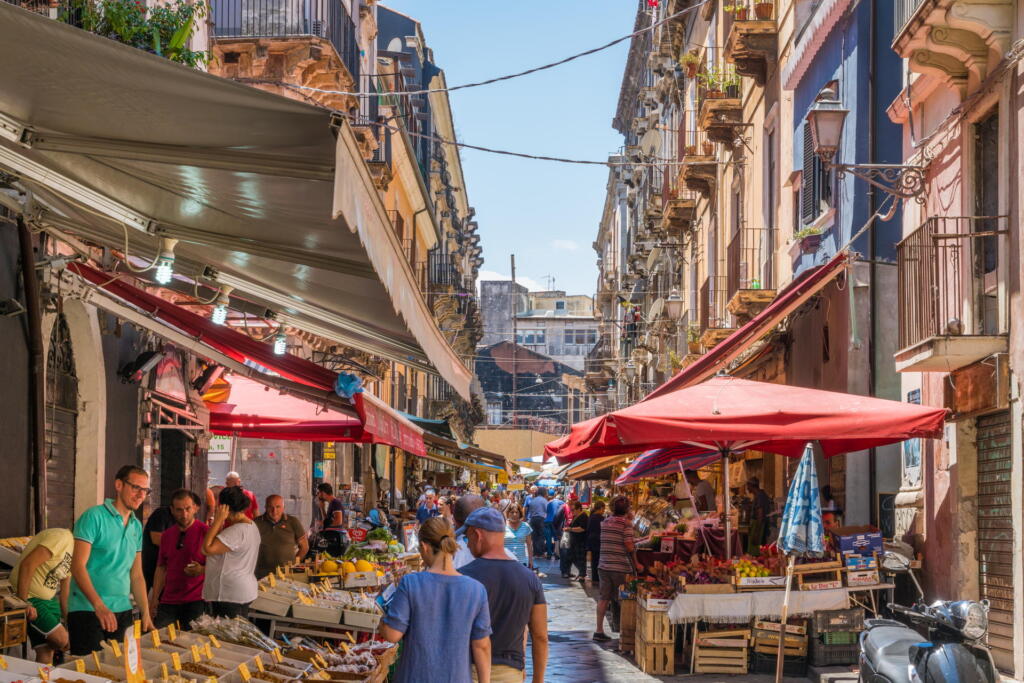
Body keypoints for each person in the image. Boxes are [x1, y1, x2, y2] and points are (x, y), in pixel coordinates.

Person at [380, 518, 492, 683]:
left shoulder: (411, 583)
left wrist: (381, 617)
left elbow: (392, 635)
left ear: (424, 546)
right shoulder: (476, 590)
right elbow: (482, 646)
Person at [68, 465, 154, 655]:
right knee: (91, 673)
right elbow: (77, 566)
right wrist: (99, 606)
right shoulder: (93, 517)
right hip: (88, 609)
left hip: (123, 610)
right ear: (118, 485)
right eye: (135, 487)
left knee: (120, 672)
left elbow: (137, 575)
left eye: (145, 490)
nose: (141, 495)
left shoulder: (136, 526)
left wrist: (145, 612)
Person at [460, 508, 548, 683]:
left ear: (477, 534)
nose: (468, 545)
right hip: (510, 673)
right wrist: (537, 680)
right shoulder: (530, 579)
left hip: (467, 670)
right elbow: (540, 636)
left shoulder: (462, 577)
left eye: (467, 538)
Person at [11, 528, 73, 663]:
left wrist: (70, 624)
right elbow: (27, 564)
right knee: (61, 639)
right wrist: (23, 602)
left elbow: (65, 593)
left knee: (46, 651)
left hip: (50, 601)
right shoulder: (62, 537)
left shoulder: (77, 554)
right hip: (31, 598)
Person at [149, 490, 207, 629]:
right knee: (160, 642)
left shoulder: (206, 532)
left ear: (195, 508)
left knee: (193, 644)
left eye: (187, 509)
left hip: (196, 601)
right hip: (168, 600)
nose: (184, 514)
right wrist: (154, 598)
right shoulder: (167, 535)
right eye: (179, 510)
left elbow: (220, 566)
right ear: (172, 510)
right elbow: (161, 568)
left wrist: (202, 570)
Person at [202, 486, 260, 618]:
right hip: (239, 591)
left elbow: (206, 549)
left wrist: (217, 520)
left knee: (227, 636)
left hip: (230, 594)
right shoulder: (250, 526)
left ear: (224, 507)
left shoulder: (236, 531)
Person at [593, 496, 641, 642]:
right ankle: (625, 634)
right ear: (627, 509)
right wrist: (636, 563)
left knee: (604, 598)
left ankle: (599, 630)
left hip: (604, 565)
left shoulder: (605, 522)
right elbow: (628, 546)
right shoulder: (626, 524)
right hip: (620, 566)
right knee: (624, 599)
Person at [254, 495, 309, 579]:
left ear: (283, 508)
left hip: (287, 575)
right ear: (265, 507)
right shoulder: (256, 523)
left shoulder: (293, 522)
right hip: (262, 575)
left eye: (278, 507)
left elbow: (304, 547)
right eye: (270, 507)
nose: (274, 511)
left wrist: (294, 564)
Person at [141, 504, 174, 591]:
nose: (184, 513)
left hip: (165, 566)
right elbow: (156, 539)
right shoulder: (162, 513)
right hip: (150, 563)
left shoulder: (183, 520)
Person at [503, 504, 534, 570]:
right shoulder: (502, 526)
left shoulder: (525, 526)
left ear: (520, 514)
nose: (514, 514)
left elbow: (529, 545)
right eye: (512, 512)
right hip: (506, 563)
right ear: (508, 513)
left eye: (516, 512)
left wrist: (530, 561)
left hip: (521, 563)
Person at [566, 501, 589, 582]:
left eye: (574, 509)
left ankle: (582, 575)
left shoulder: (583, 516)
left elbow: (582, 528)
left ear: (579, 508)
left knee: (580, 558)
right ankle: (581, 572)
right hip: (575, 541)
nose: (572, 511)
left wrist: (570, 529)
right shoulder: (576, 515)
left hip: (580, 541)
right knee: (573, 557)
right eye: (571, 510)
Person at [747, 477, 773, 547]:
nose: (747, 488)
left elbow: (760, 516)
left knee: (757, 551)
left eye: (748, 486)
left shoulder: (760, 496)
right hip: (758, 526)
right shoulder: (759, 495)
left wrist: (757, 533)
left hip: (759, 527)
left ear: (751, 486)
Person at [586, 501, 606, 583]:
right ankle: (596, 578)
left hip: (592, 540)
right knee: (597, 560)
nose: (604, 510)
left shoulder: (591, 517)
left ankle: (594, 577)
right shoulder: (601, 518)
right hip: (598, 541)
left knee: (594, 560)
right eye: (603, 509)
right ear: (601, 508)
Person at [525, 488, 547, 560]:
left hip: (533, 519)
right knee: (541, 535)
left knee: (534, 536)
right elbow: (546, 510)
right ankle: (541, 553)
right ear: (543, 493)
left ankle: (535, 553)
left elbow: (530, 511)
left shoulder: (533, 500)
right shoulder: (544, 500)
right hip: (541, 519)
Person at [544, 492, 562, 560]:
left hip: (547, 521)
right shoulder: (562, 502)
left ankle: (549, 554)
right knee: (556, 538)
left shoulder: (548, 503)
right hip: (555, 522)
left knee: (548, 538)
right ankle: (557, 554)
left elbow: (545, 512)